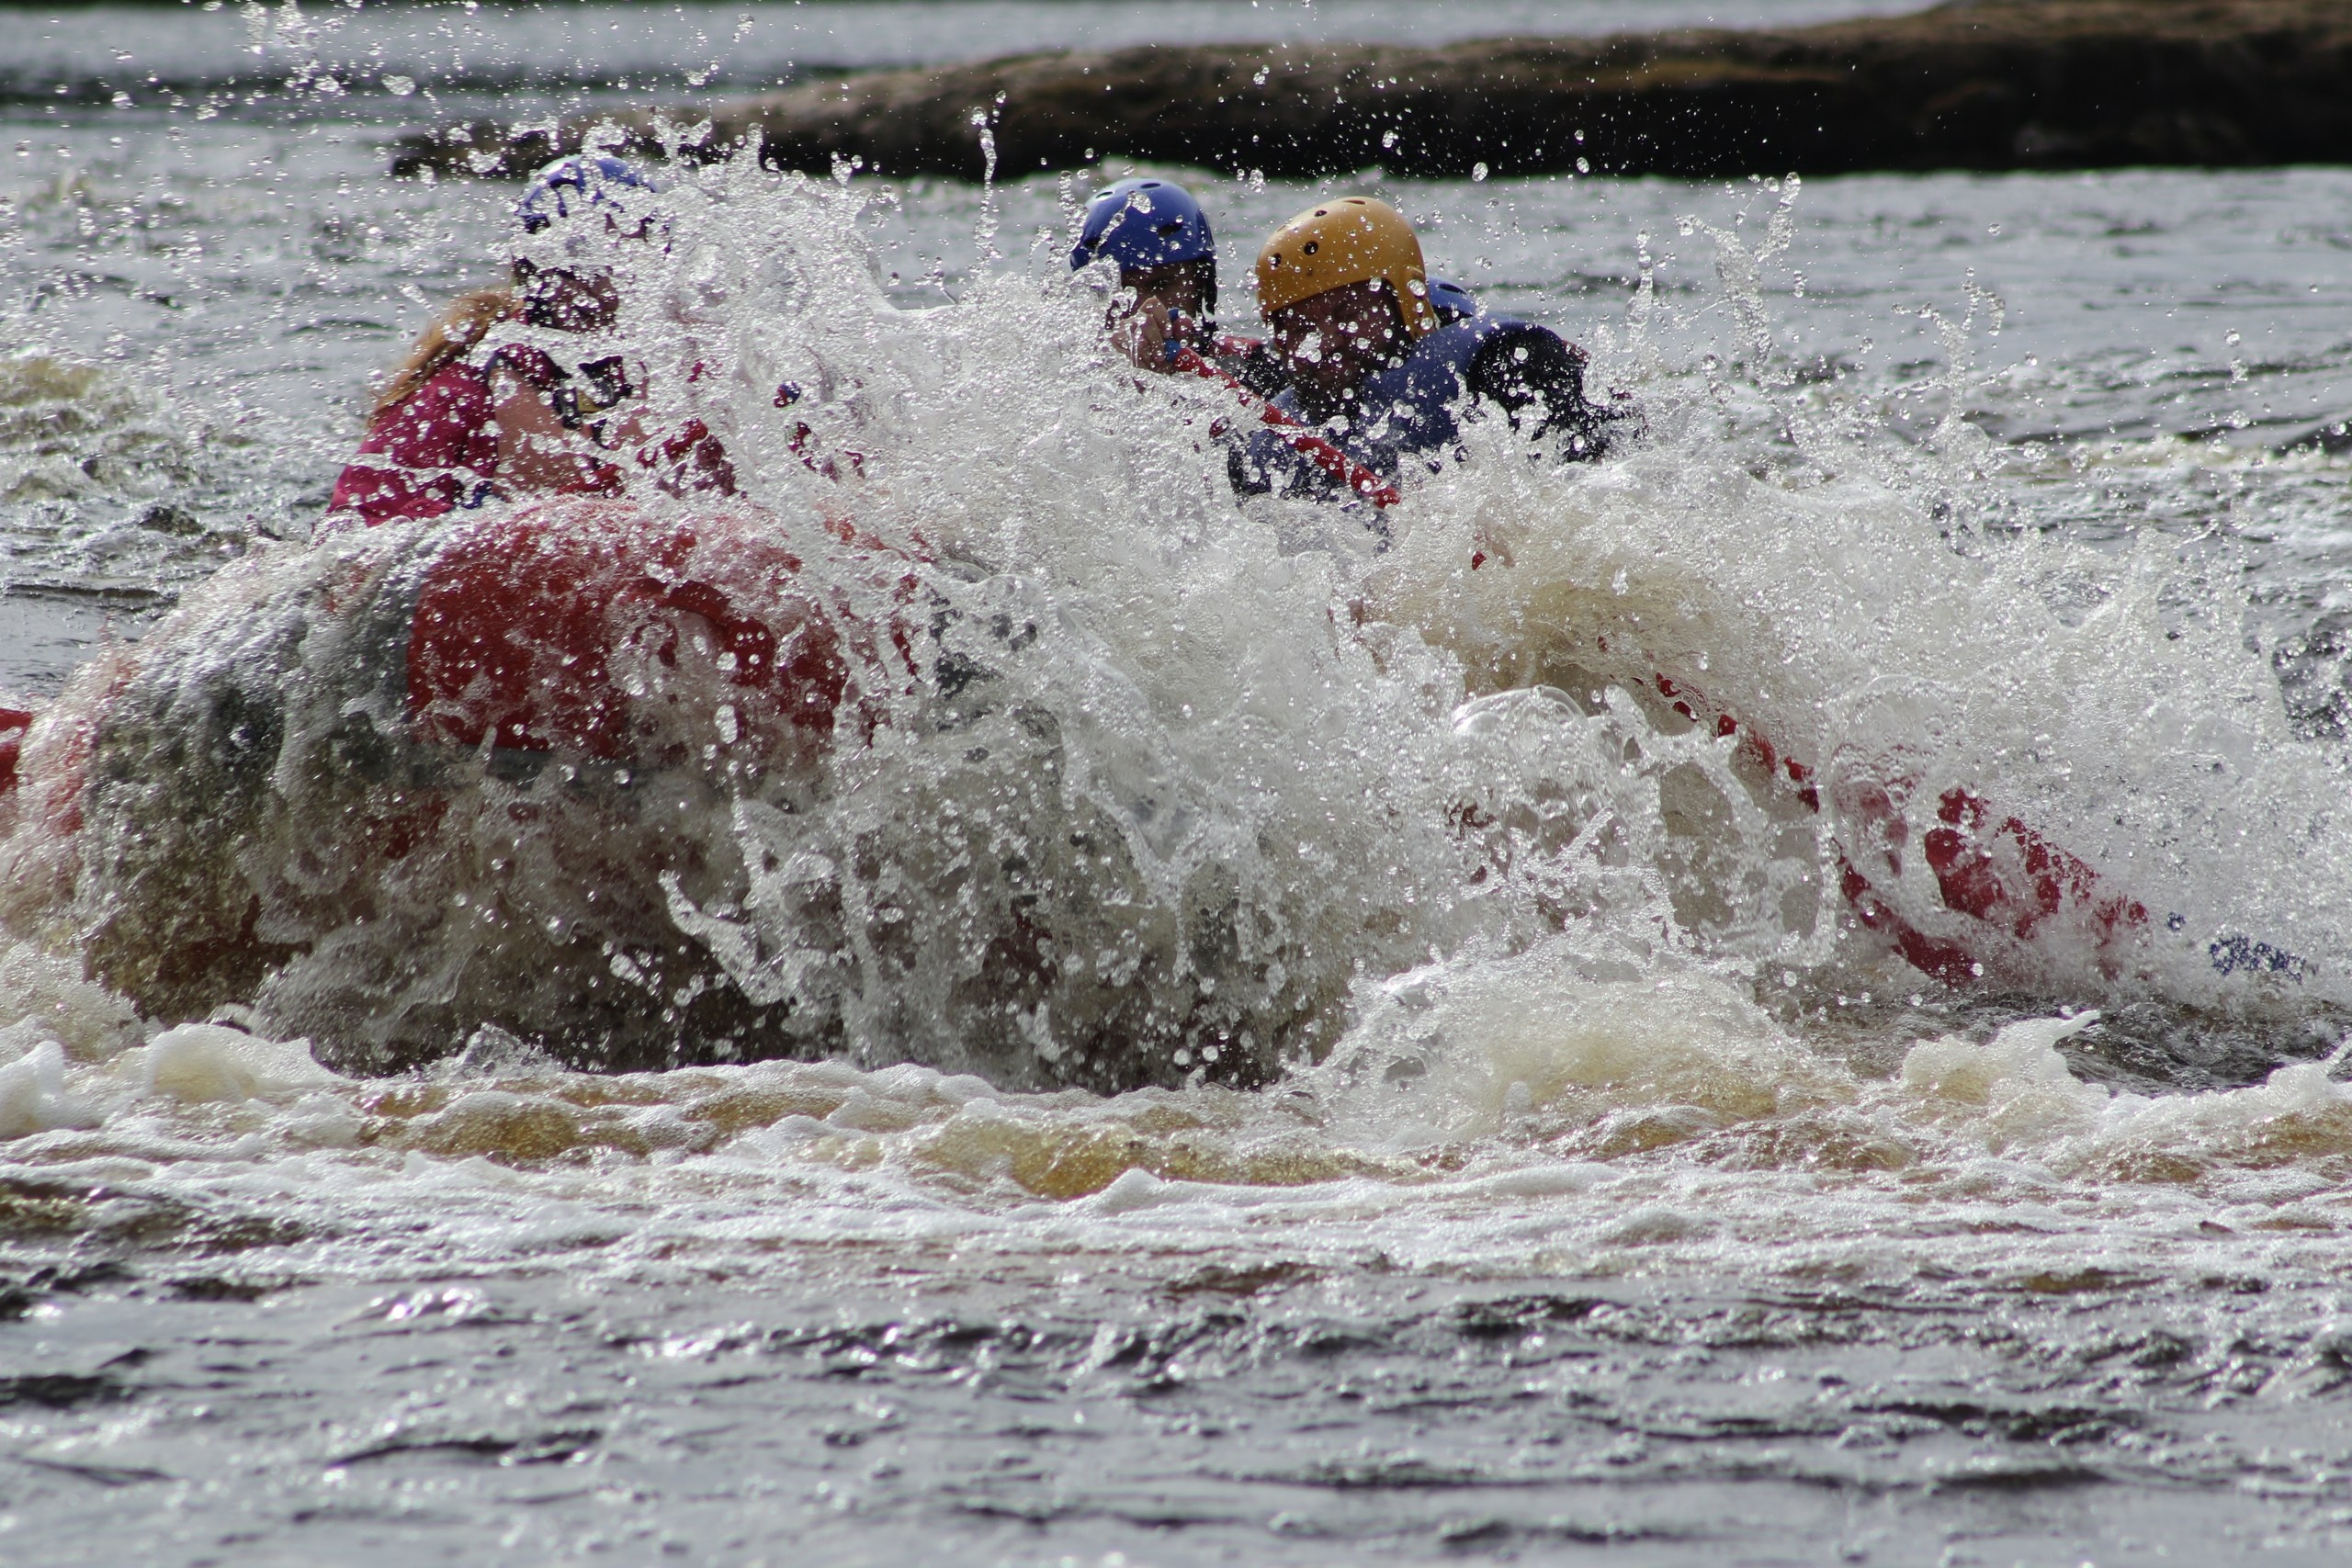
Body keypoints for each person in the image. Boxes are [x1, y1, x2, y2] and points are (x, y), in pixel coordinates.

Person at [328, 154, 730, 528]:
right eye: (584, 253)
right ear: (535, 269)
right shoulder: (462, 389)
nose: (609, 278)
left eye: (632, 248)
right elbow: (357, 529)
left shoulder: (697, 364)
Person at [1231, 196, 1618, 502]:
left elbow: (1604, 478)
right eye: (1300, 328)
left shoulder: (1502, 364)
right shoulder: (1262, 443)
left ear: (1408, 302)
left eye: (1347, 313)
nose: (1326, 342)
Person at [1069, 177, 1287, 396]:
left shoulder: (1254, 367)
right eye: (1113, 292)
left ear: (1201, 286)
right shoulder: (1069, 382)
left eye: (1161, 284)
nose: (1142, 310)